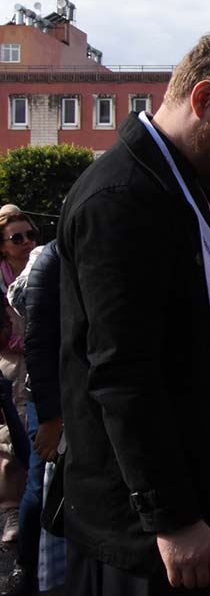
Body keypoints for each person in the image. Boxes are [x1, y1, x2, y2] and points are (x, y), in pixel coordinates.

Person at [58, 31, 210, 594]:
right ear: (203, 97)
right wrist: (174, 517)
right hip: (152, 535)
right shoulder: (120, 199)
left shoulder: (188, 192)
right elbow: (121, 373)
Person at [5, 238, 66, 595]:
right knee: (41, 484)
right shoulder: (48, 256)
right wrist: (49, 417)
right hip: (50, 395)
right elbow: (25, 308)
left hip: (91, 391)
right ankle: (26, 567)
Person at [0, 211, 36, 547]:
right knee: (10, 438)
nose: (26, 243)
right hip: (11, 364)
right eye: (17, 238)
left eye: (30, 235)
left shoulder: (41, 267)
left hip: (41, 360)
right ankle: (12, 511)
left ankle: (37, 507)